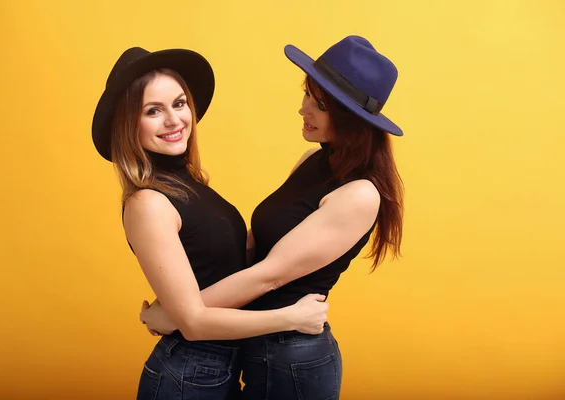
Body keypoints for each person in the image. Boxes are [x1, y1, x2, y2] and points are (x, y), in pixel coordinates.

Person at [141, 35, 405, 399]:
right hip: (252, 343)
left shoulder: (360, 193)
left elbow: (269, 275)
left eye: (320, 104)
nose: (303, 109)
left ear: (351, 119)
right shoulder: (312, 160)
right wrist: (180, 308)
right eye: (307, 95)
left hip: (294, 354)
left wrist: (176, 318)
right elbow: (254, 247)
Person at [91, 47, 329, 400]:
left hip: (218, 367)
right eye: (153, 111)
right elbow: (195, 323)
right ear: (128, 124)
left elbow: (220, 265)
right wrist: (292, 318)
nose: (174, 120)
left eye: (179, 103)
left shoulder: (189, 184)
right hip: (189, 373)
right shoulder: (148, 203)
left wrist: (165, 311)